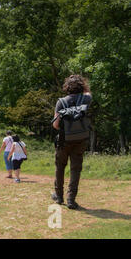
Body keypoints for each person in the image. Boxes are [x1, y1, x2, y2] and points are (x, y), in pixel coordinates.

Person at [52, 75, 92, 209]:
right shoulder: (86, 99)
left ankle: (59, 196)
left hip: (65, 140)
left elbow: (56, 125)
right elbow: (88, 92)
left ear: (67, 87)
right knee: (75, 169)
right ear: (82, 86)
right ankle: (71, 199)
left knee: (60, 167)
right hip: (81, 139)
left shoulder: (61, 102)